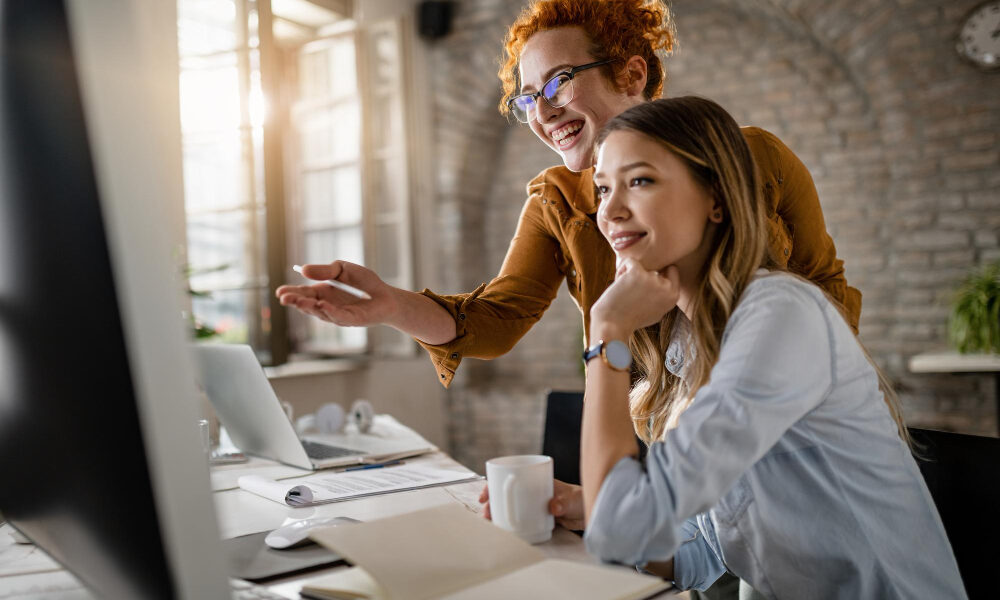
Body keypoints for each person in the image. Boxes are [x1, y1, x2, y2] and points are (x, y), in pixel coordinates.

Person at [275, 0, 857, 564]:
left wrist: (802, 394)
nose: (541, 110)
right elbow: (495, 318)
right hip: (667, 443)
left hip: (786, 433)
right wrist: (389, 307)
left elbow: (825, 291)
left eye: (558, 82)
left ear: (632, 73)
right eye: (528, 96)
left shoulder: (747, 162)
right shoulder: (557, 199)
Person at [579, 95, 965, 597]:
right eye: (604, 188)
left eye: (640, 180)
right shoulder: (690, 343)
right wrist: (593, 508)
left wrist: (607, 330)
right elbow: (704, 553)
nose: (609, 210)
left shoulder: (782, 316)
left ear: (716, 198)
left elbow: (620, 528)